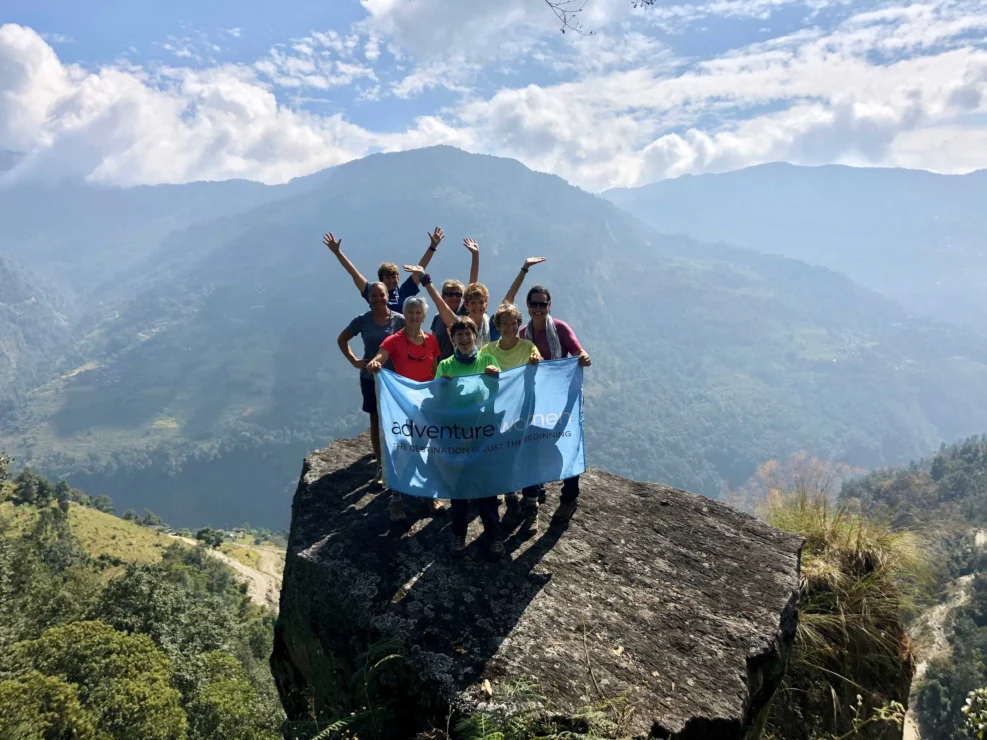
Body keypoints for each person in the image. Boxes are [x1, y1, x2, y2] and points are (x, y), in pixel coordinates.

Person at [519, 284, 591, 528]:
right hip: (537, 401)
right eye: (534, 304)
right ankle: (534, 493)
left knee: (565, 445)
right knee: (533, 444)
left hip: (563, 399)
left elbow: (577, 350)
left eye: (543, 304)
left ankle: (569, 499)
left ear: (549, 306)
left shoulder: (559, 328)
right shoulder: (521, 335)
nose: (538, 308)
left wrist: (583, 356)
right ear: (528, 306)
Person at [433, 316, 505, 559]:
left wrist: (496, 378)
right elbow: (438, 401)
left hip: (483, 431)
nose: (464, 339)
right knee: (459, 486)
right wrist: (441, 387)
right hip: (456, 432)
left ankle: (494, 536)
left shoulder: (488, 360)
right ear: (453, 339)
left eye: (468, 334)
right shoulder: (445, 365)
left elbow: (501, 394)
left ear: (476, 335)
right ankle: (458, 534)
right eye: (459, 335)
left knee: (487, 487)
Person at [366, 296, 443, 521]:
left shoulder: (432, 340)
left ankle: (428, 494)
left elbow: (435, 370)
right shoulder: (394, 340)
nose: (414, 316)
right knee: (401, 450)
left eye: (418, 312)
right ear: (405, 315)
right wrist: (376, 363)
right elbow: (381, 356)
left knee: (427, 449)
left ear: (424, 316)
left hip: (426, 406)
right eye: (410, 312)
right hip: (401, 404)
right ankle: (396, 500)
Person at [337, 282, 405, 487]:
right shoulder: (362, 320)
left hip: (395, 379)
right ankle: (382, 466)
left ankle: (400, 461)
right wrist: (354, 361)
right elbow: (342, 339)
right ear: (368, 299)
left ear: (387, 296)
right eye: (373, 295)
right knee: (376, 421)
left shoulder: (399, 320)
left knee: (396, 421)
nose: (377, 299)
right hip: (370, 379)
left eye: (381, 295)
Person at [323, 227, 444, 313]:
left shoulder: (403, 290)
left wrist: (432, 247)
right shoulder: (374, 292)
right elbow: (354, 274)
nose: (392, 280)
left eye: (394, 277)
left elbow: (420, 268)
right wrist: (337, 252)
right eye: (388, 277)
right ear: (381, 280)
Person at [431, 238, 480, 360]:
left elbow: (472, 285)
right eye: (450, 294)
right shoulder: (437, 318)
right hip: (443, 368)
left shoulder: (465, 312)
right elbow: (433, 345)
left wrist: (475, 255)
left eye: (458, 294)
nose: (454, 297)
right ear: (442, 297)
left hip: (463, 366)